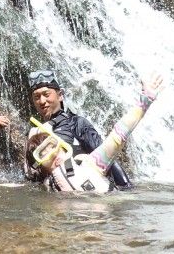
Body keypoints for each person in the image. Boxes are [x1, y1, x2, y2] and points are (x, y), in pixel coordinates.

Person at [26, 73, 163, 192]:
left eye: (46, 94)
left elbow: (109, 151)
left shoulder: (77, 124)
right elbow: (31, 176)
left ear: (60, 95)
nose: (42, 101)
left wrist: (126, 188)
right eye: (36, 97)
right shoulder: (33, 135)